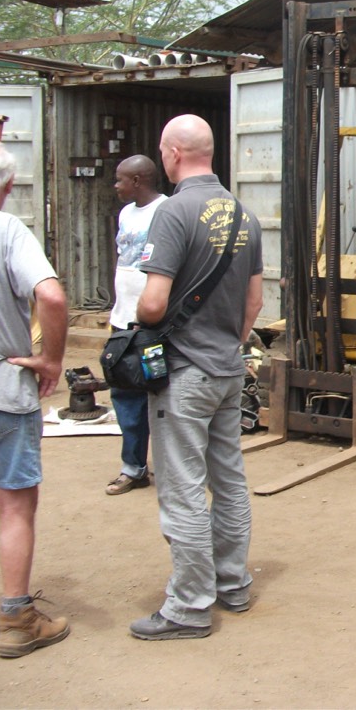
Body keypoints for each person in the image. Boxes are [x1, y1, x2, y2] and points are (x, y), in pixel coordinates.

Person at [129, 115, 263, 641]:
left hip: (184, 373)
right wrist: (228, 340)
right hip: (229, 368)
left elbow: (155, 303)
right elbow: (254, 302)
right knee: (227, 480)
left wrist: (139, 320)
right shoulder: (244, 216)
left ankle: (188, 607)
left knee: (182, 489)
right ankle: (233, 583)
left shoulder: (172, 212)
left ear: (172, 153)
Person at [0, 144, 70, 659]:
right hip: (4, 388)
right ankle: (17, 617)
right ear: (7, 185)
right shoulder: (7, 232)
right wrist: (51, 360)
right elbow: (52, 296)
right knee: (15, 506)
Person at [105, 155, 167, 496]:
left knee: (163, 393)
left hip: (154, 325)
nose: (116, 185)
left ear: (139, 180)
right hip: (123, 323)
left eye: (120, 180)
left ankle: (174, 469)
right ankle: (134, 468)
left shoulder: (167, 211)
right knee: (125, 392)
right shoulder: (126, 213)